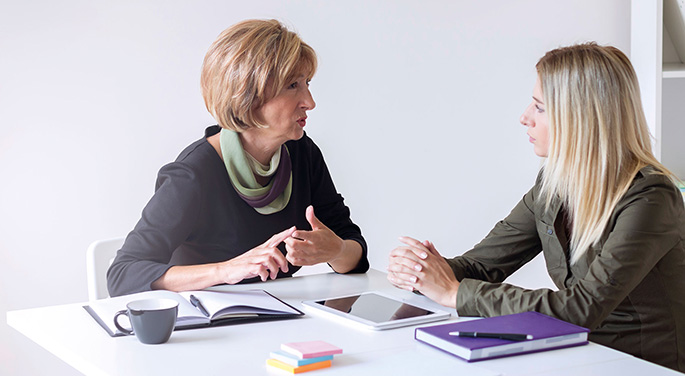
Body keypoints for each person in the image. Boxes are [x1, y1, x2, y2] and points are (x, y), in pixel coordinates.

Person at [387, 43, 685, 371]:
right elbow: (483, 266)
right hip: (577, 354)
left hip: (642, 365)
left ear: (580, 117)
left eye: (539, 107)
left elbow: (582, 308)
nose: (525, 118)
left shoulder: (651, 197)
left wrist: (455, 293)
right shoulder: (553, 184)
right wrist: (423, 271)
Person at [107, 19, 368, 297]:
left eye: (307, 83)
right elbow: (124, 274)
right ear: (249, 95)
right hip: (209, 328)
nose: (310, 101)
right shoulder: (194, 173)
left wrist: (337, 250)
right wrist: (226, 270)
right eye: (293, 85)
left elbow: (355, 253)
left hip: (286, 317)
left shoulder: (303, 152)